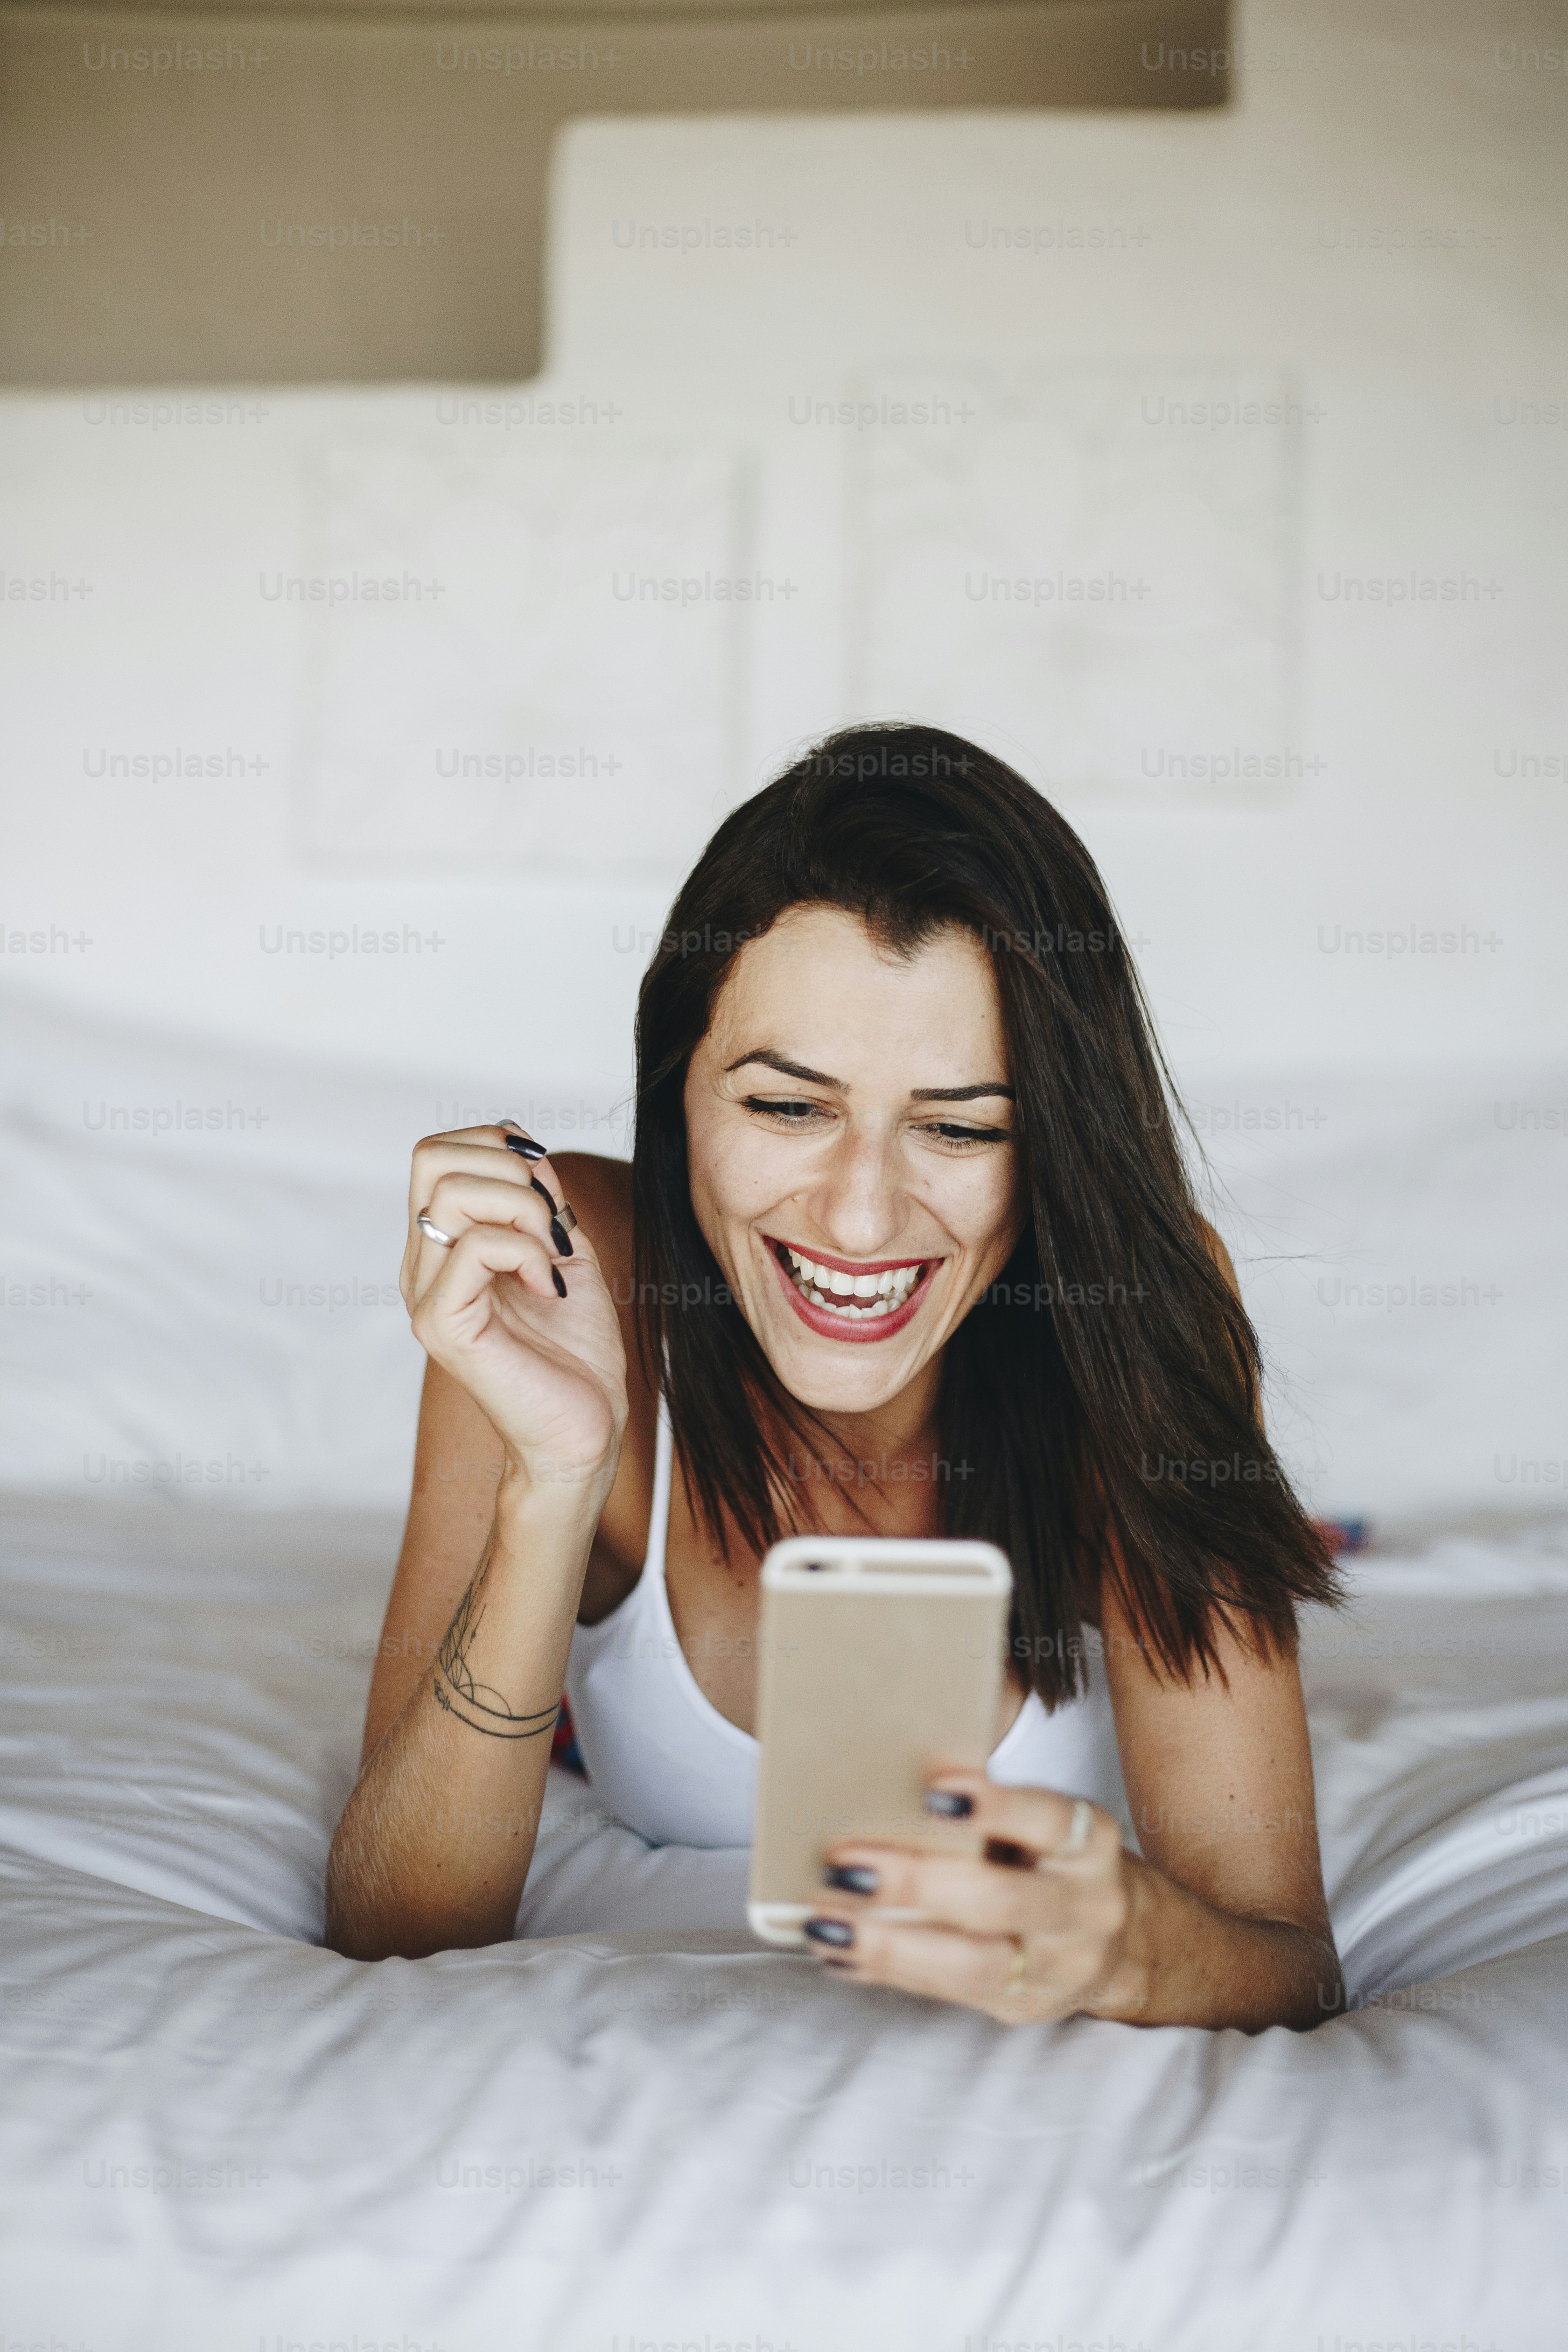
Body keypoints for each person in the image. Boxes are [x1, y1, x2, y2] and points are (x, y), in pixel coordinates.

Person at [325, 723, 1346, 2029]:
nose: (861, 1221)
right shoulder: (568, 1270)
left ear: (1053, 1154)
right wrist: (555, 1476)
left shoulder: (1140, 1308)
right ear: (676, 1091)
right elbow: (393, 1925)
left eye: (961, 1127)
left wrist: (1129, 1948)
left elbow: (1287, 1962)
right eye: (786, 1108)